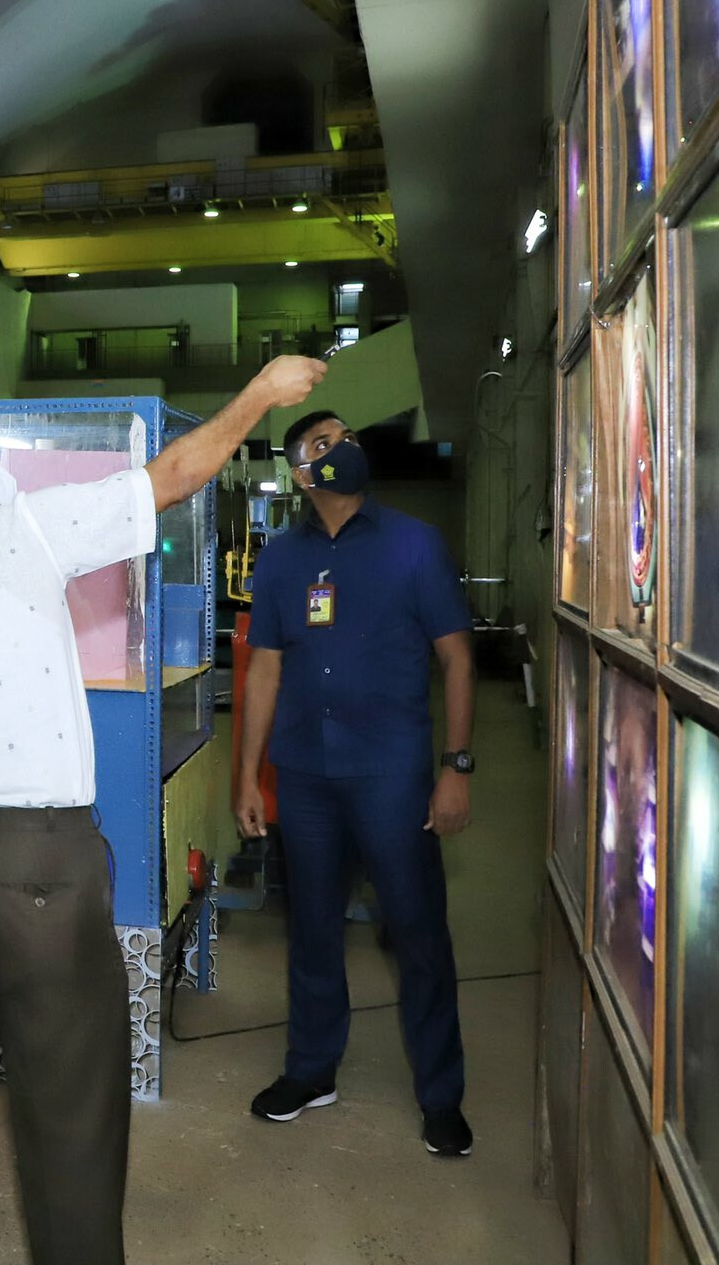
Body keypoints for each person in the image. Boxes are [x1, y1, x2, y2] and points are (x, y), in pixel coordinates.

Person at [0, 353, 326, 1265]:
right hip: (37, 868)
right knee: (70, 1107)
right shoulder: (14, 531)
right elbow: (170, 477)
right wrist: (260, 394)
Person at [232, 410, 478, 1157]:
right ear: (301, 473)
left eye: (346, 436)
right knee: (311, 928)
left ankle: (441, 1095)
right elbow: (265, 668)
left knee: (417, 932)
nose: (344, 447)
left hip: (391, 775)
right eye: (322, 443)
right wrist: (249, 777)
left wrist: (455, 767)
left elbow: (457, 658)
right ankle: (311, 1071)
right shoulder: (281, 560)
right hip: (306, 775)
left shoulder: (413, 544)